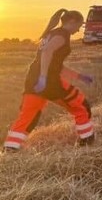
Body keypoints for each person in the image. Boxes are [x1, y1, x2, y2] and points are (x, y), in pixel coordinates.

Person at [3, 9, 95, 153]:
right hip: (50, 82)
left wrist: (78, 76)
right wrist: (44, 78)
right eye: (79, 25)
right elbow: (47, 53)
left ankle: (10, 148)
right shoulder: (62, 35)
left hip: (33, 79)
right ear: (72, 22)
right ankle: (87, 142)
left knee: (29, 115)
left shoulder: (52, 33)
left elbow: (55, 65)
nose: (79, 30)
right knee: (81, 105)